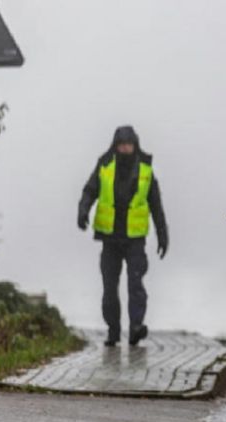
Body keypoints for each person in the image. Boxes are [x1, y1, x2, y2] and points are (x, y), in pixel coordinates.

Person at [78, 126, 169, 347]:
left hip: (135, 240)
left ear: (135, 145)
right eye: (121, 144)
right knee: (110, 287)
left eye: (128, 144)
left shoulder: (146, 170)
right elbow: (90, 190)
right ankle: (113, 330)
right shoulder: (105, 165)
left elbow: (156, 205)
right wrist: (83, 211)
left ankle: (136, 327)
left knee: (135, 285)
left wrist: (162, 234)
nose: (125, 148)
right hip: (110, 239)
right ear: (115, 145)